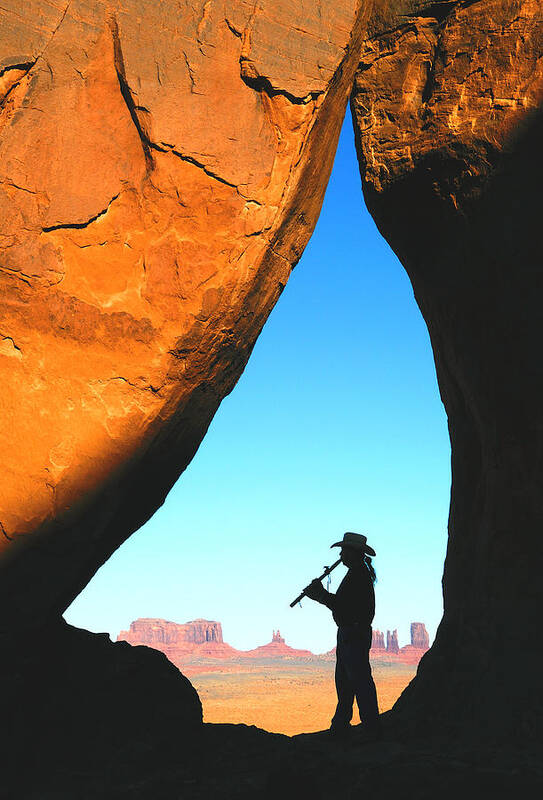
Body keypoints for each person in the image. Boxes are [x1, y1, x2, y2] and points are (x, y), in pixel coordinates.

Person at [304, 531, 380, 740]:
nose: (341, 554)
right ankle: (342, 724)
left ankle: (369, 727)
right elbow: (344, 606)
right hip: (351, 633)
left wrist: (320, 595)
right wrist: (322, 596)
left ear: (353, 552)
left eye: (344, 550)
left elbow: (344, 607)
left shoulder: (358, 575)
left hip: (353, 633)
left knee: (357, 680)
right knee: (346, 681)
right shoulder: (357, 573)